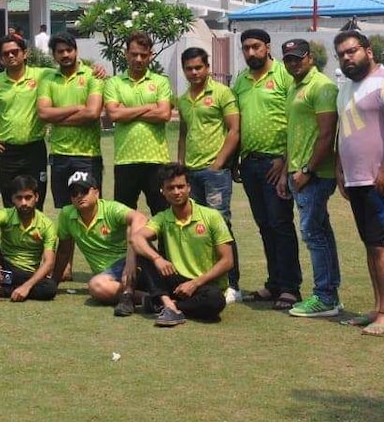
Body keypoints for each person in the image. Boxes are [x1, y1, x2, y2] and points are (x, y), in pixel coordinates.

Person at [333, 31, 384, 336]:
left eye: (351, 51)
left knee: (382, 245)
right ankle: (378, 309)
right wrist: (341, 169)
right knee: (371, 245)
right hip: (357, 180)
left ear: (368, 51)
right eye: (341, 54)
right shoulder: (345, 89)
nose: (346, 58)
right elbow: (343, 131)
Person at [231, 29, 302, 310]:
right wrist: (236, 159)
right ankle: (274, 283)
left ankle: (290, 288)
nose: (251, 52)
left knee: (280, 225)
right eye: (246, 48)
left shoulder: (284, 75)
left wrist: (285, 161)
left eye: (256, 46)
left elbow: (296, 121)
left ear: (268, 47)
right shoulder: (241, 81)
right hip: (250, 164)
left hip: (276, 164)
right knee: (264, 226)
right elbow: (237, 123)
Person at [278, 38, 341, 318]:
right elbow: (295, 132)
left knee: (314, 234)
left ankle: (325, 297)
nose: (293, 63)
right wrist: (287, 171)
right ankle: (329, 295)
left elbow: (327, 135)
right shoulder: (294, 87)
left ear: (310, 58)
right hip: (299, 172)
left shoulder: (322, 86)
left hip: (314, 175)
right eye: (288, 59)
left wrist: (308, 170)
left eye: (298, 58)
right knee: (320, 232)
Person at [177, 46, 242, 303]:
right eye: (189, 69)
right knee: (199, 228)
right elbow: (183, 134)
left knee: (221, 227)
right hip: (191, 173)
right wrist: (181, 165)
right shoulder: (183, 99)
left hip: (215, 173)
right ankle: (208, 280)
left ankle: (233, 284)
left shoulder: (222, 93)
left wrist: (218, 163)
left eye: (198, 67)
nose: (194, 73)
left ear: (207, 67)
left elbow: (234, 130)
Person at [132, 163, 233, 327]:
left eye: (180, 186)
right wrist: (157, 259)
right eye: (170, 188)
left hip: (204, 284)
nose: (176, 192)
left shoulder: (211, 216)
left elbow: (227, 261)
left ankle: (166, 305)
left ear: (189, 188)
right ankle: (169, 305)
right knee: (142, 251)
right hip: (175, 281)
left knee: (215, 300)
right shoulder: (162, 218)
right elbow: (136, 238)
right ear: (163, 191)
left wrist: (195, 283)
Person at [52, 170, 146, 316]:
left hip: (131, 262)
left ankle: (143, 295)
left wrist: (130, 261)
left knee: (96, 285)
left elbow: (140, 218)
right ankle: (149, 298)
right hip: (107, 276)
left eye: (84, 191)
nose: (79, 196)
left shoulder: (111, 209)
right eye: (74, 193)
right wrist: (53, 283)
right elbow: (64, 251)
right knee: (98, 287)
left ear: (96, 193)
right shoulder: (66, 214)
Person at [103, 31, 172, 215]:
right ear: (126, 54)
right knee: (122, 217)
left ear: (151, 55)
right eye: (134, 54)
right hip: (125, 159)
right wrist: (149, 107)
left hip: (157, 160)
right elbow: (113, 114)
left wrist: (127, 111)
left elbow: (164, 114)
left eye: (143, 55)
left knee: (164, 216)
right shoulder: (114, 83)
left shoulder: (161, 82)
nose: (139, 59)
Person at [38, 32, 105, 209]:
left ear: (76, 50)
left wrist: (57, 119)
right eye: (60, 51)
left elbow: (92, 113)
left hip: (88, 156)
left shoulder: (93, 76)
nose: (65, 55)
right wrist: (76, 108)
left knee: (90, 208)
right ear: (54, 55)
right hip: (59, 156)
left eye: (69, 50)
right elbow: (44, 113)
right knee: (65, 210)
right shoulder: (48, 79)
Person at [0, 35, 49, 207]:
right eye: (6, 54)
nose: (11, 56)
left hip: (35, 149)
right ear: (1, 59)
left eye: (15, 51)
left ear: (25, 53)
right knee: (10, 202)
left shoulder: (42, 75)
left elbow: (66, 72)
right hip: (8, 152)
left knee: (37, 199)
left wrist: (95, 70)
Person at [0, 174, 58, 304]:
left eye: (28, 197)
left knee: (50, 288)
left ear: (36, 197)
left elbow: (49, 262)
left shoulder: (47, 225)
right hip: (3, 267)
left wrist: (27, 286)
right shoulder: (6, 215)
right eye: (19, 198)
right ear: (13, 199)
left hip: (25, 274)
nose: (24, 203)